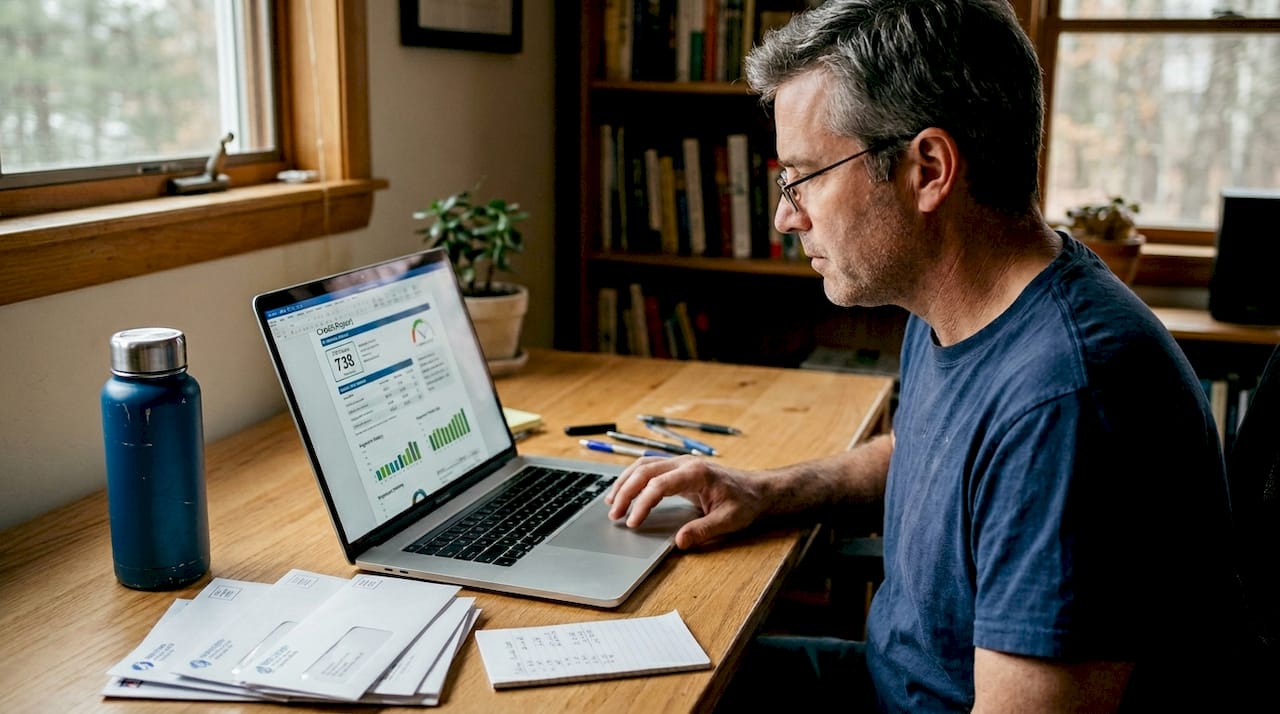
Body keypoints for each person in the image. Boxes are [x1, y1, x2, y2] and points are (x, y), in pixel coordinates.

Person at [605, 0, 1250, 710]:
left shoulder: (1068, 401)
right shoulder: (960, 302)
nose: (787, 215)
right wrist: (765, 492)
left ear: (929, 169)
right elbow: (932, 454)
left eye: (804, 175)